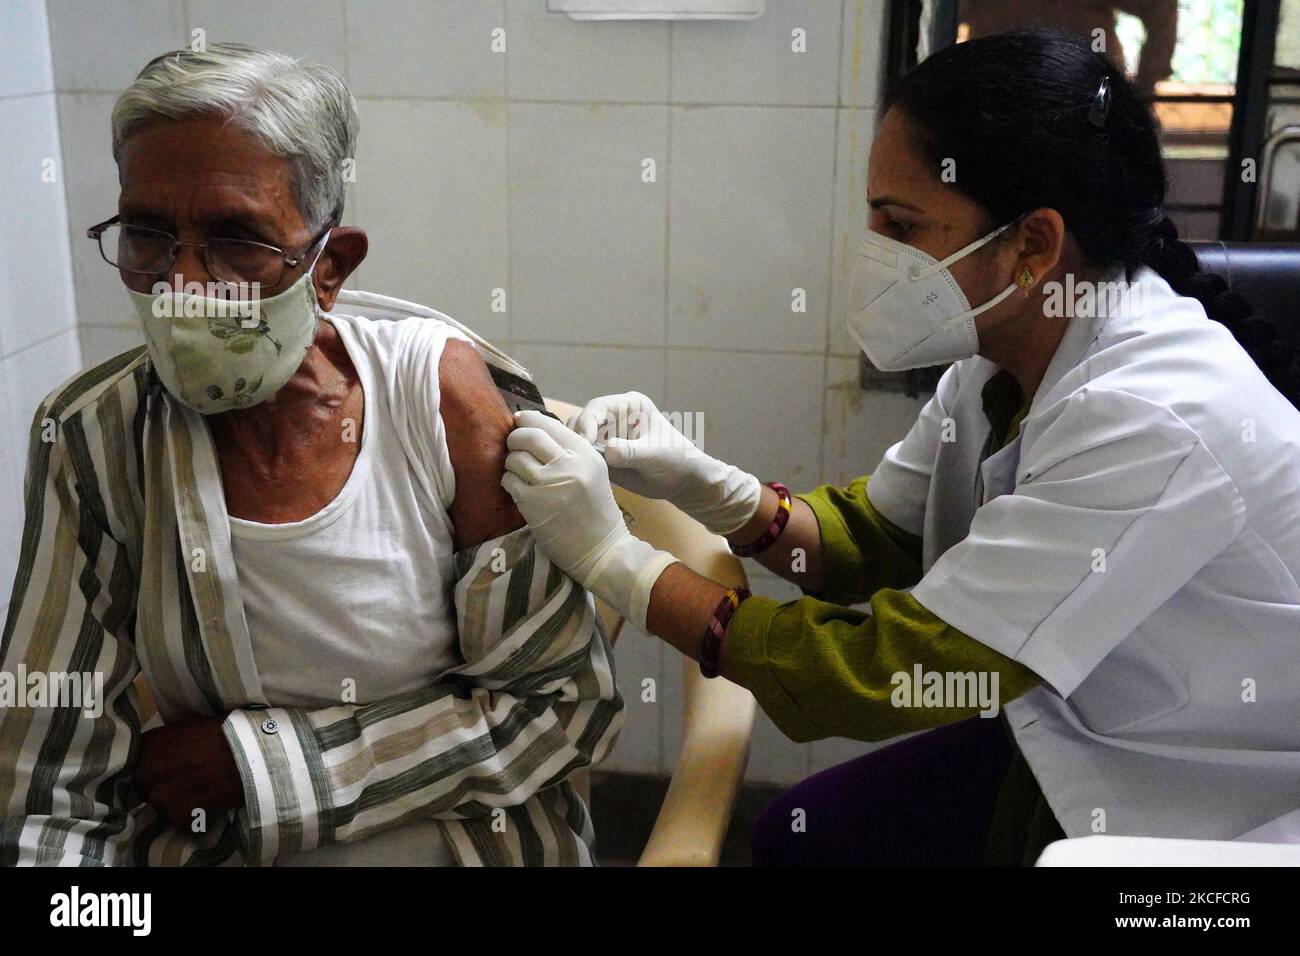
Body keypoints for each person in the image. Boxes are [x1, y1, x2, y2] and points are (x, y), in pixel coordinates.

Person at [500, 31, 1300, 865]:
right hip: (1083, 723)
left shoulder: (1149, 416)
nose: (875, 250)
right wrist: (708, 486)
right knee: (797, 837)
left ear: (1033, 248)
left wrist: (614, 559)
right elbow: (877, 540)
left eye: (902, 224)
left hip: (1224, 794)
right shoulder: (1004, 346)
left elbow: (885, 672)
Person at [0, 44, 620, 867]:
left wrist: (256, 765)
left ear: (329, 267)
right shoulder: (95, 435)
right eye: (149, 236)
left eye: (235, 242)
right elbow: (51, 779)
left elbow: (563, 710)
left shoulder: (437, 401)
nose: (184, 285)